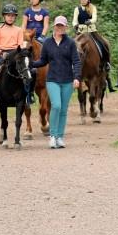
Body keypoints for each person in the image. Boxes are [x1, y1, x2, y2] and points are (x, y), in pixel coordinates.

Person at [32, 15, 82, 149]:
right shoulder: (47, 43)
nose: (60, 28)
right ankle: (53, 136)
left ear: (66, 27)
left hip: (68, 81)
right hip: (52, 80)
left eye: (62, 26)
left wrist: (77, 77)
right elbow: (43, 61)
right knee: (56, 106)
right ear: (54, 27)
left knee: (64, 110)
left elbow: (76, 61)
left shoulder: (70, 43)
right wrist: (31, 64)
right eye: (58, 26)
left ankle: (60, 137)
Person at [0, 4, 34, 105]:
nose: (10, 18)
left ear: (15, 17)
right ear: (4, 16)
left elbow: (20, 44)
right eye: (8, 15)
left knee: (32, 71)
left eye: (12, 16)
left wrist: (22, 53)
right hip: (2, 54)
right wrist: (1, 53)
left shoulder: (19, 30)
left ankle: (29, 94)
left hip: (15, 55)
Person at [72, 0, 116, 92]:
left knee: (104, 43)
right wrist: (75, 25)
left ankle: (106, 63)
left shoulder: (92, 8)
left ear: (88, 0)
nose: (83, 0)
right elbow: (74, 20)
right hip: (81, 32)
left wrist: (90, 21)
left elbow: (94, 18)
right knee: (71, 45)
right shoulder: (77, 9)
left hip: (91, 31)